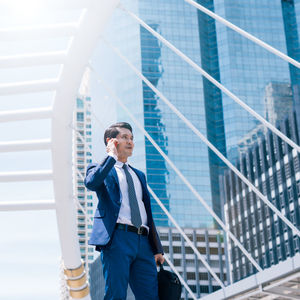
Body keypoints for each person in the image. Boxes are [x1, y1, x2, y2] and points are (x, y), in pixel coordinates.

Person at [84, 122, 164, 300]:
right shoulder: (100, 169)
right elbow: (91, 183)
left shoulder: (139, 175)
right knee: (116, 294)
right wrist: (111, 157)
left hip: (143, 242)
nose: (130, 142)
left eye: (132, 138)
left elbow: (147, 213)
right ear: (111, 141)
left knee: (150, 295)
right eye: (124, 137)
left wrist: (157, 248)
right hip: (117, 239)